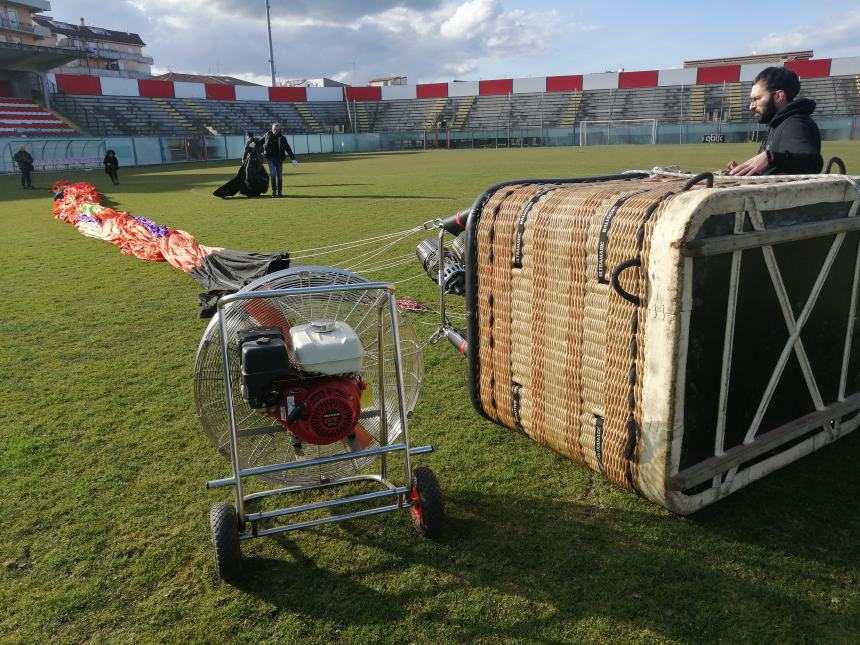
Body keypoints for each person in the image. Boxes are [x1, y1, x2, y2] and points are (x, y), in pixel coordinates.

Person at [728, 66, 822, 176]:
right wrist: (746, 170)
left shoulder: (794, 123)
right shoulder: (779, 123)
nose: (751, 106)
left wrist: (770, 157)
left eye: (757, 99)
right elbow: (779, 170)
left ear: (779, 96)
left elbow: (814, 163)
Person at [213, 132, 270, 198]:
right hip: (258, 162)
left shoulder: (249, 140)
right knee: (257, 176)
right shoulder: (258, 140)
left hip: (251, 161)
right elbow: (262, 150)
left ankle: (246, 191)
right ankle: (256, 191)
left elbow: (246, 150)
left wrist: (243, 160)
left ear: (247, 136)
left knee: (244, 177)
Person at [259, 122, 298, 197]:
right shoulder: (267, 135)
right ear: (272, 129)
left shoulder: (282, 138)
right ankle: (274, 192)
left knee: (279, 176)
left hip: (279, 159)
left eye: (277, 129)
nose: (275, 131)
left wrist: (293, 159)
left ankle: (279, 192)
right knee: (273, 174)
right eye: (274, 129)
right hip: (270, 158)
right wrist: (254, 144)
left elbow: (288, 148)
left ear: (280, 130)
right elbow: (261, 142)